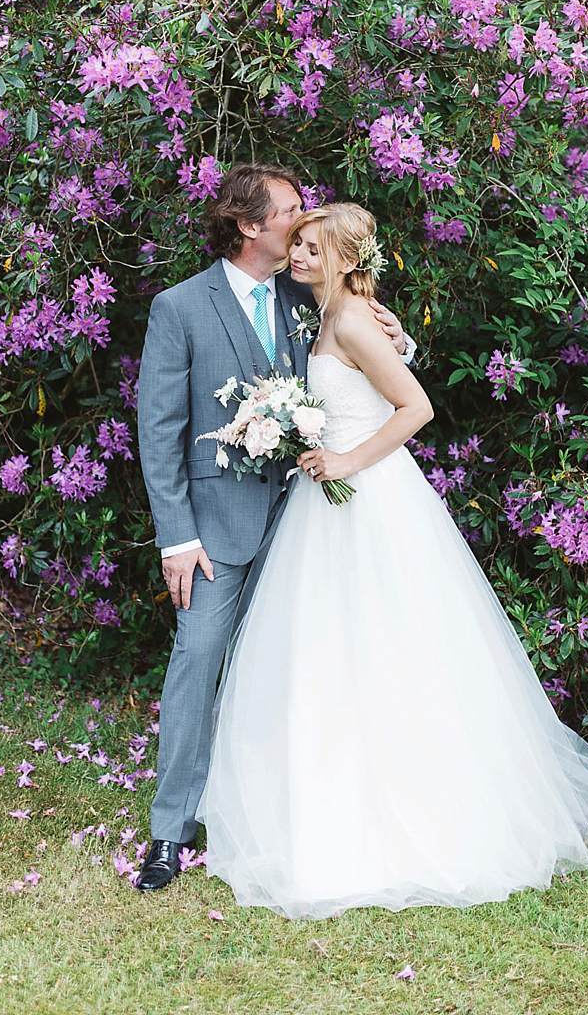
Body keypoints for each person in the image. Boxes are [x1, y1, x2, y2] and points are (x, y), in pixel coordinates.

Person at [197, 203, 588, 919]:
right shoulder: (331, 314)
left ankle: (416, 813)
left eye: (313, 248)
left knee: (389, 643)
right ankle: (326, 796)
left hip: (370, 497)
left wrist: (344, 454)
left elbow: (415, 409)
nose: (299, 255)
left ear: (347, 260)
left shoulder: (350, 320)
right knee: (329, 648)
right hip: (327, 505)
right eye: (300, 245)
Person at [136, 167, 414, 892]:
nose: (303, 220)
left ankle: (279, 811)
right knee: (198, 662)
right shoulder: (180, 307)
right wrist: (176, 536)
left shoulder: (311, 294)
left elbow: (355, 365)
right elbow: (159, 431)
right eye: (292, 211)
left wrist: (399, 338)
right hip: (213, 533)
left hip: (305, 523)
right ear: (250, 225)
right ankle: (170, 832)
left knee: (304, 668)